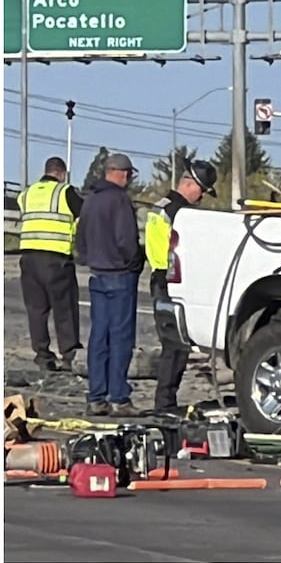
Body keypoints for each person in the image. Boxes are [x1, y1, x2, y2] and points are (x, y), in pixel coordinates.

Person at [74, 153, 144, 417]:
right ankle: (119, 397)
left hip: (97, 274)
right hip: (119, 274)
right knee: (121, 337)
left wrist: (90, 258)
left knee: (98, 336)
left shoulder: (90, 201)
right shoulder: (119, 201)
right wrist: (134, 261)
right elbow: (127, 240)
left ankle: (96, 396)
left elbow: (80, 238)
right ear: (123, 173)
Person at [146, 159, 217, 416]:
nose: (202, 197)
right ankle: (164, 403)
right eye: (202, 191)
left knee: (174, 345)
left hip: (160, 277)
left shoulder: (162, 206)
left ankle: (165, 400)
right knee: (176, 346)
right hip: (171, 281)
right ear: (190, 184)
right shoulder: (181, 213)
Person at [16, 157, 84, 372]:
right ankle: (69, 352)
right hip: (56, 259)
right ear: (62, 173)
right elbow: (83, 214)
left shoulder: (26, 194)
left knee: (36, 310)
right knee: (64, 308)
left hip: (28, 259)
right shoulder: (65, 192)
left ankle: (43, 355)